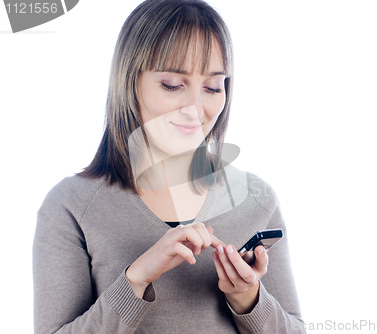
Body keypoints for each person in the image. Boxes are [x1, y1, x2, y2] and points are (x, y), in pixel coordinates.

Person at [33, 0, 305, 333]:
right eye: (173, 85)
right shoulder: (71, 206)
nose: (195, 108)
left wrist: (247, 297)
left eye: (212, 87)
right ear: (130, 82)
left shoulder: (256, 200)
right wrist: (136, 278)